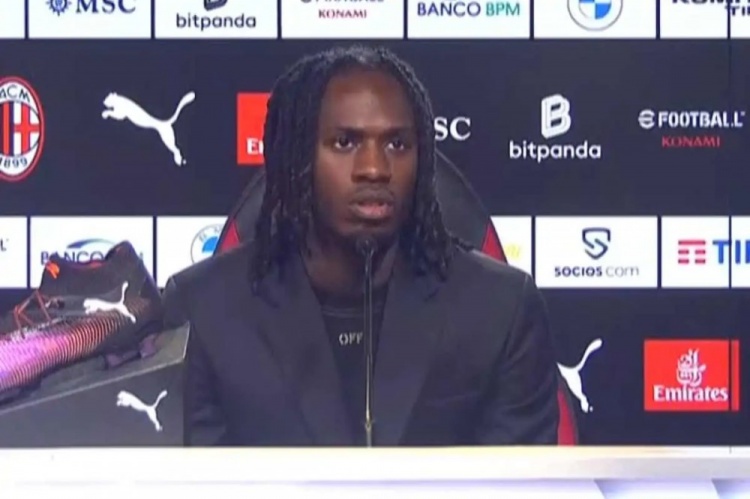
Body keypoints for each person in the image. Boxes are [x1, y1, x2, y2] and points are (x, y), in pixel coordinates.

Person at [162, 45, 559, 446]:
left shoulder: (500, 310)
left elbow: (522, 477)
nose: (374, 168)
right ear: (297, 158)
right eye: (344, 142)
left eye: (397, 144)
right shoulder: (203, 311)